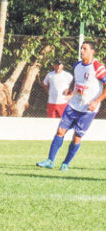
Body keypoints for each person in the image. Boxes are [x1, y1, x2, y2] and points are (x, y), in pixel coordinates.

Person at [36, 41, 106, 171]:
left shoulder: (98, 68)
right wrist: (71, 91)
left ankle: (65, 163)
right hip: (73, 105)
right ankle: (50, 161)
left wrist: (96, 101)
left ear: (92, 51)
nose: (82, 51)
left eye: (85, 49)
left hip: (88, 109)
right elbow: (77, 80)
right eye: (81, 48)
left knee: (77, 137)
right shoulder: (77, 65)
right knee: (60, 131)